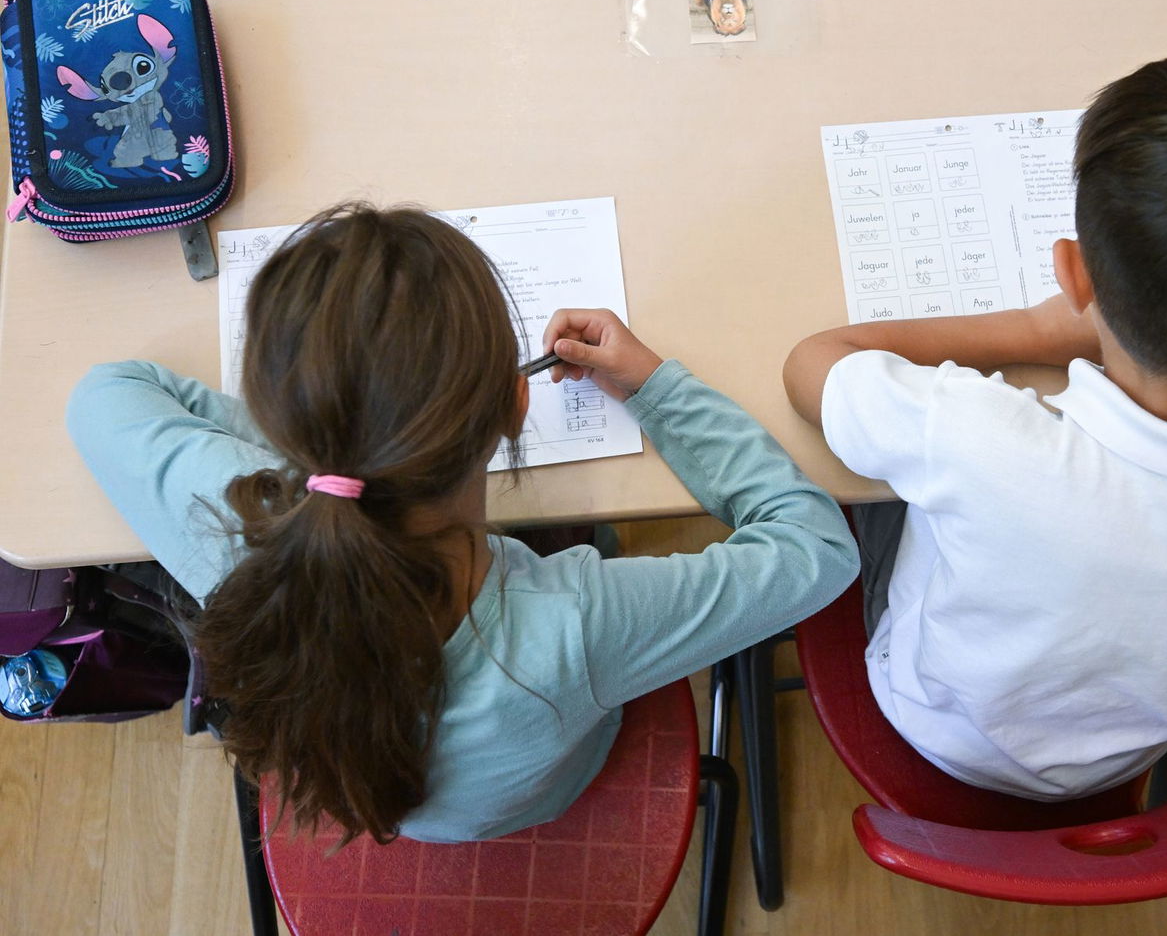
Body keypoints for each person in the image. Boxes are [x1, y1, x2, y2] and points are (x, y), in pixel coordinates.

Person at [66, 203, 856, 843]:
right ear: (518, 404)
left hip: (382, 805)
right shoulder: (574, 624)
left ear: (283, 416)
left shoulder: (236, 528)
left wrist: (312, 454)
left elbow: (105, 392)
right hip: (538, 792)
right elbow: (817, 547)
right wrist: (655, 387)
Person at [784, 50, 1167, 801]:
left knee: (852, 485)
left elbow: (812, 365)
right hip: (1120, 757)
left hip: (935, 719)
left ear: (1074, 274)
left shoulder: (975, 436)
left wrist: (1032, 332)